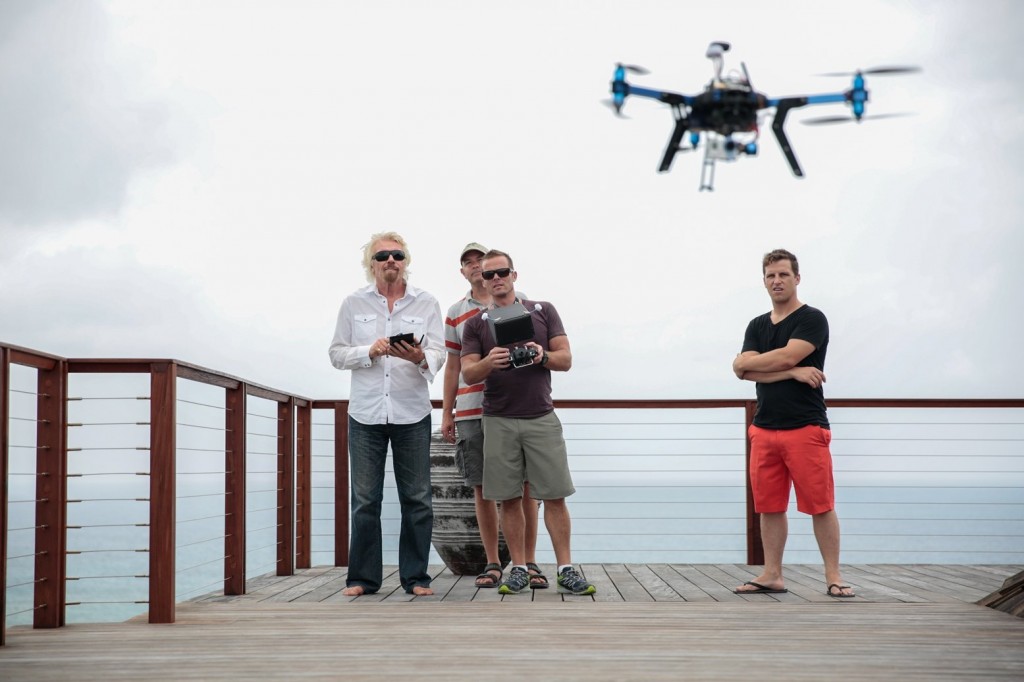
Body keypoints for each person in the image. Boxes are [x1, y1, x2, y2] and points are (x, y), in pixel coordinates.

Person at [461, 250, 596, 596]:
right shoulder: (477, 323)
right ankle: (518, 567)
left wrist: (542, 355)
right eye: (489, 275)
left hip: (540, 415)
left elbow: (565, 359)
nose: (495, 279)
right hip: (499, 419)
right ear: (482, 280)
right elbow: (468, 370)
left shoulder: (543, 311)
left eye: (501, 272)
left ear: (514, 275)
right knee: (508, 499)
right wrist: (491, 362)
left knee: (555, 495)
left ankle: (566, 567)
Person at [731, 248, 855, 599]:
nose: (777, 281)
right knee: (769, 506)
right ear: (764, 281)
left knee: (820, 504)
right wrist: (792, 372)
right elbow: (741, 370)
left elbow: (776, 357)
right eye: (771, 276)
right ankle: (772, 574)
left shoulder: (812, 318)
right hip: (764, 427)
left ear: (796, 278)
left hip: (805, 427)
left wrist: (768, 364)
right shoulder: (757, 325)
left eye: (784, 274)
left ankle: (834, 576)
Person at [328, 231, 446, 597]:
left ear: (406, 260)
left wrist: (420, 357)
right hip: (366, 414)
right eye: (382, 256)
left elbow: (439, 352)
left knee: (418, 498)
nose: (390, 261)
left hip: (412, 412)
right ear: (371, 264)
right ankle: (363, 578)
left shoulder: (427, 303)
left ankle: (416, 578)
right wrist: (370, 350)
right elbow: (336, 354)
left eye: (397, 255)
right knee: (365, 499)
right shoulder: (352, 303)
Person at [440, 243, 542, 589]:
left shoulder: (518, 301)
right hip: (471, 411)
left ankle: (527, 563)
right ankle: (493, 563)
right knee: (482, 488)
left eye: (480, 262)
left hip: (515, 406)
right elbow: (453, 365)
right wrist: (447, 412)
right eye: (468, 264)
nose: (476, 268)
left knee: (526, 488)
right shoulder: (456, 312)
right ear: (467, 272)